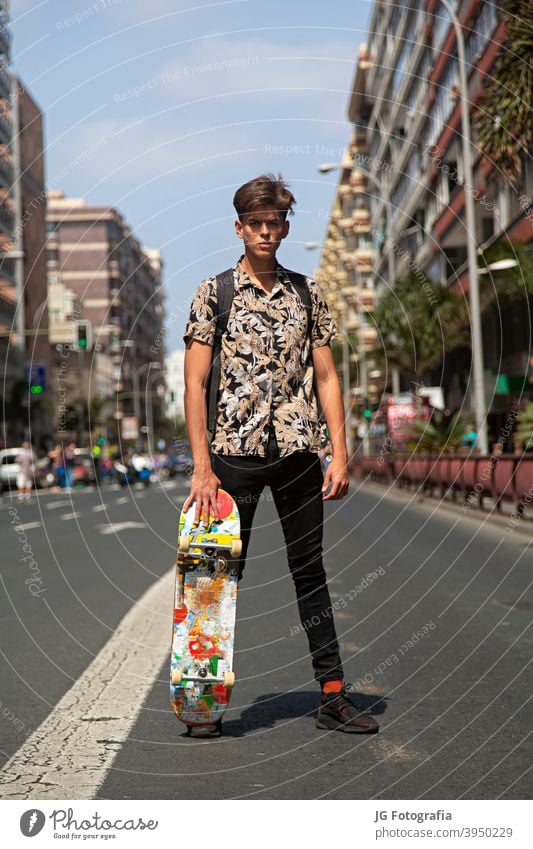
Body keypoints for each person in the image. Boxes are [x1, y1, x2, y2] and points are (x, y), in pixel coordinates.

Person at [183, 173, 378, 735]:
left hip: (296, 453)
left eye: (275, 223)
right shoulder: (213, 294)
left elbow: (326, 375)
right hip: (231, 459)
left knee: (310, 573)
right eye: (256, 224)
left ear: (285, 227)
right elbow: (195, 384)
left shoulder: (308, 292)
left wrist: (339, 455)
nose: (266, 232)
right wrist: (201, 467)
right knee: (217, 577)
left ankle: (333, 696)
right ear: (239, 228)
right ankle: (204, 701)